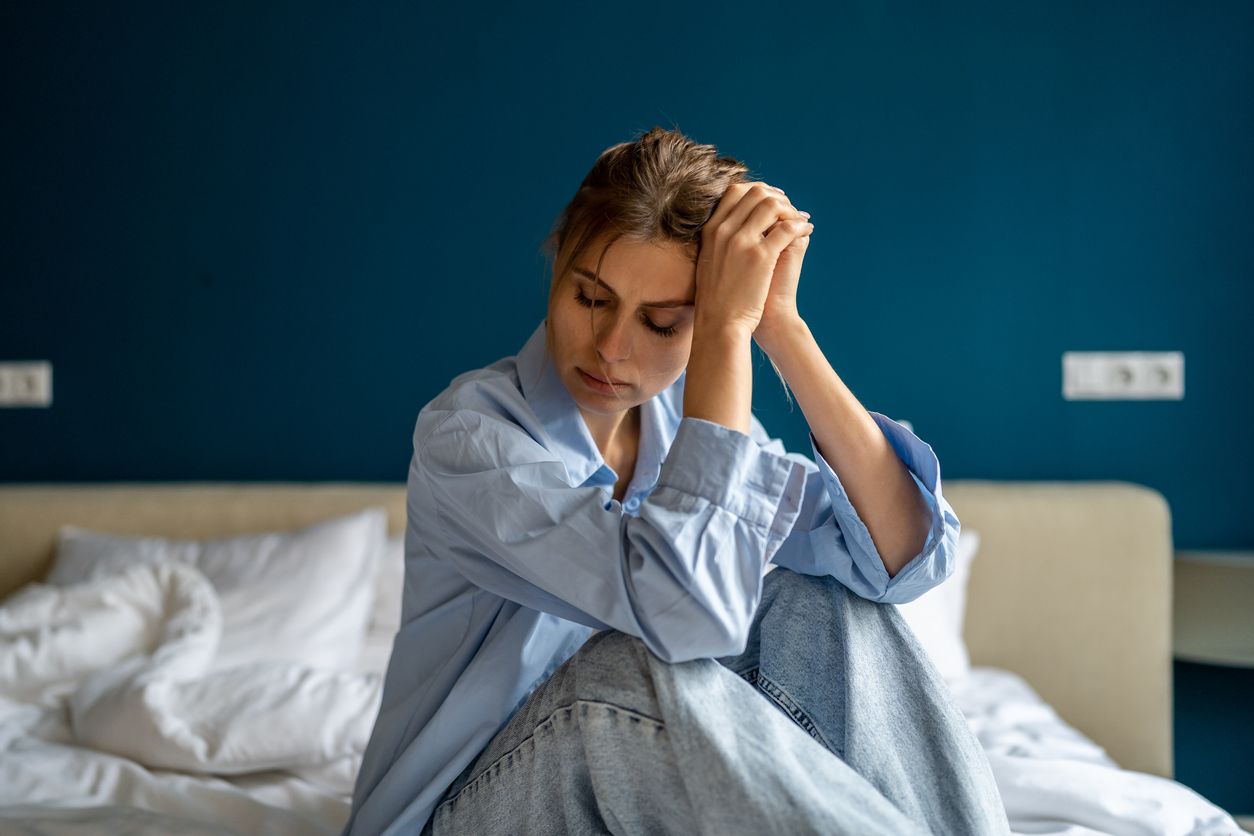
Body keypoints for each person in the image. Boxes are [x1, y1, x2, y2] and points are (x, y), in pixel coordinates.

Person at [344, 128, 1008, 835]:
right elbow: (687, 615)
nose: (611, 348)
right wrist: (720, 337)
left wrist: (777, 325)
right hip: (462, 812)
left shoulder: (692, 433)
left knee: (821, 599)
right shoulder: (470, 437)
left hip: (620, 796)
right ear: (558, 258)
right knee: (629, 670)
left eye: (663, 323)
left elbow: (897, 555)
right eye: (591, 298)